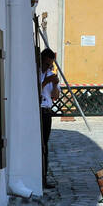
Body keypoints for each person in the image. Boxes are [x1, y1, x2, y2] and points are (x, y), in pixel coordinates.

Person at [38, 49, 60, 187]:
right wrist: (46, 81)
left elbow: (56, 96)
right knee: (37, 144)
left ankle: (44, 177)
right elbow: (34, 90)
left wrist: (55, 84)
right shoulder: (36, 74)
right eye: (46, 64)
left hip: (47, 111)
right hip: (37, 111)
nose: (48, 67)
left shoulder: (51, 74)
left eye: (50, 65)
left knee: (45, 145)